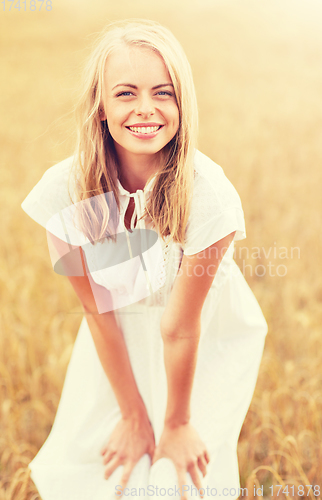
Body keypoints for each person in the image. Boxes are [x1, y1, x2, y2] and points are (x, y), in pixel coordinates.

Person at [21, 18, 268, 500]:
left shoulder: (206, 195)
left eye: (163, 93)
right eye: (126, 94)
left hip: (201, 339)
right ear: (100, 107)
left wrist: (176, 423)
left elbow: (181, 326)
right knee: (102, 472)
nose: (146, 109)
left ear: (182, 103)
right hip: (116, 335)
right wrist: (133, 414)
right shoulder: (68, 192)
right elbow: (97, 308)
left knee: (176, 482)